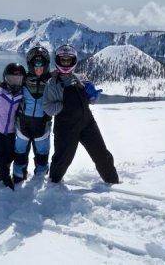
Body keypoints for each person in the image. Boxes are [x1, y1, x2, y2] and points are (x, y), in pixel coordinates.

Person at [43, 45, 119, 184]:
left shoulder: (80, 78)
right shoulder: (52, 84)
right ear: (57, 61)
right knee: (63, 159)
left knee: (102, 154)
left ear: (74, 62)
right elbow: (47, 107)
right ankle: (53, 185)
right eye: (63, 61)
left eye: (69, 61)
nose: (66, 64)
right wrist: (63, 104)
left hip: (87, 123)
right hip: (66, 127)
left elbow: (92, 101)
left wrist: (93, 95)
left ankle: (112, 182)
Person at [13, 46, 52, 183]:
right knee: (20, 152)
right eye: (36, 66)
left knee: (42, 154)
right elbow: (10, 85)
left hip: (43, 124)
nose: (39, 69)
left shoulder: (52, 81)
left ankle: (40, 177)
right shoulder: (22, 80)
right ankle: (18, 175)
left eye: (42, 66)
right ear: (30, 65)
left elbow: (68, 82)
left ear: (46, 66)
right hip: (23, 123)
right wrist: (1, 86)